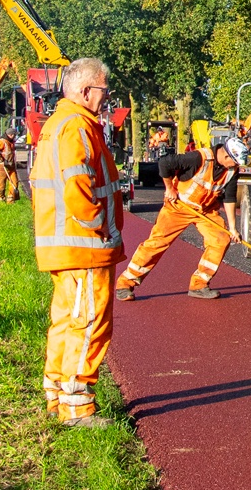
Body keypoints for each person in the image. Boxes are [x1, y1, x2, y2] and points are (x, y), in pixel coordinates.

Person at [29, 57, 127, 426]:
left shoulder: (58, 125)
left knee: (66, 320)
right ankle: (77, 406)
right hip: (84, 245)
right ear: (87, 91)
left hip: (62, 244)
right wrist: (98, 226)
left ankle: (55, 393)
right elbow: (78, 186)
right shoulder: (78, 127)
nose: (107, 97)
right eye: (104, 90)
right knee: (89, 322)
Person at [115, 137, 240, 301]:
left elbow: (229, 198)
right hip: (178, 207)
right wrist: (170, 188)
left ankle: (199, 284)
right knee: (157, 243)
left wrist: (232, 228)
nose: (237, 165)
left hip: (205, 210)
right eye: (236, 162)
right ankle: (125, 284)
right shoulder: (198, 157)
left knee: (221, 239)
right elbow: (165, 163)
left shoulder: (231, 170)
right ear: (226, 156)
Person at [0, 130, 21, 203]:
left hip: (11, 166)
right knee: (1, 184)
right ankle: (0, 199)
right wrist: (1, 159)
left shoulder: (11, 142)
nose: (15, 136)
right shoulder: (2, 141)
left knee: (14, 182)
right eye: (14, 135)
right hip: (1, 167)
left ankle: (11, 200)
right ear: (10, 135)